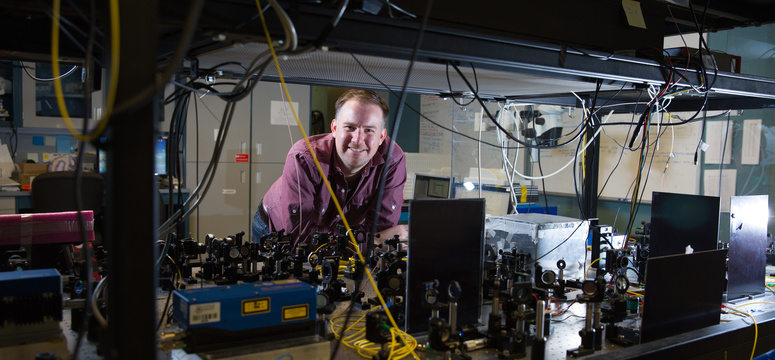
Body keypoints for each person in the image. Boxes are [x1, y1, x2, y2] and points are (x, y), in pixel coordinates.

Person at [252, 89, 408, 250]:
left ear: (382, 136)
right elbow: (300, 237)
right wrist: (370, 242)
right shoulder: (305, 157)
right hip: (275, 229)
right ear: (334, 128)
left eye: (369, 130)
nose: (357, 140)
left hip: (333, 235)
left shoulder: (393, 159)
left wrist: (370, 241)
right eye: (350, 127)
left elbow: (382, 230)